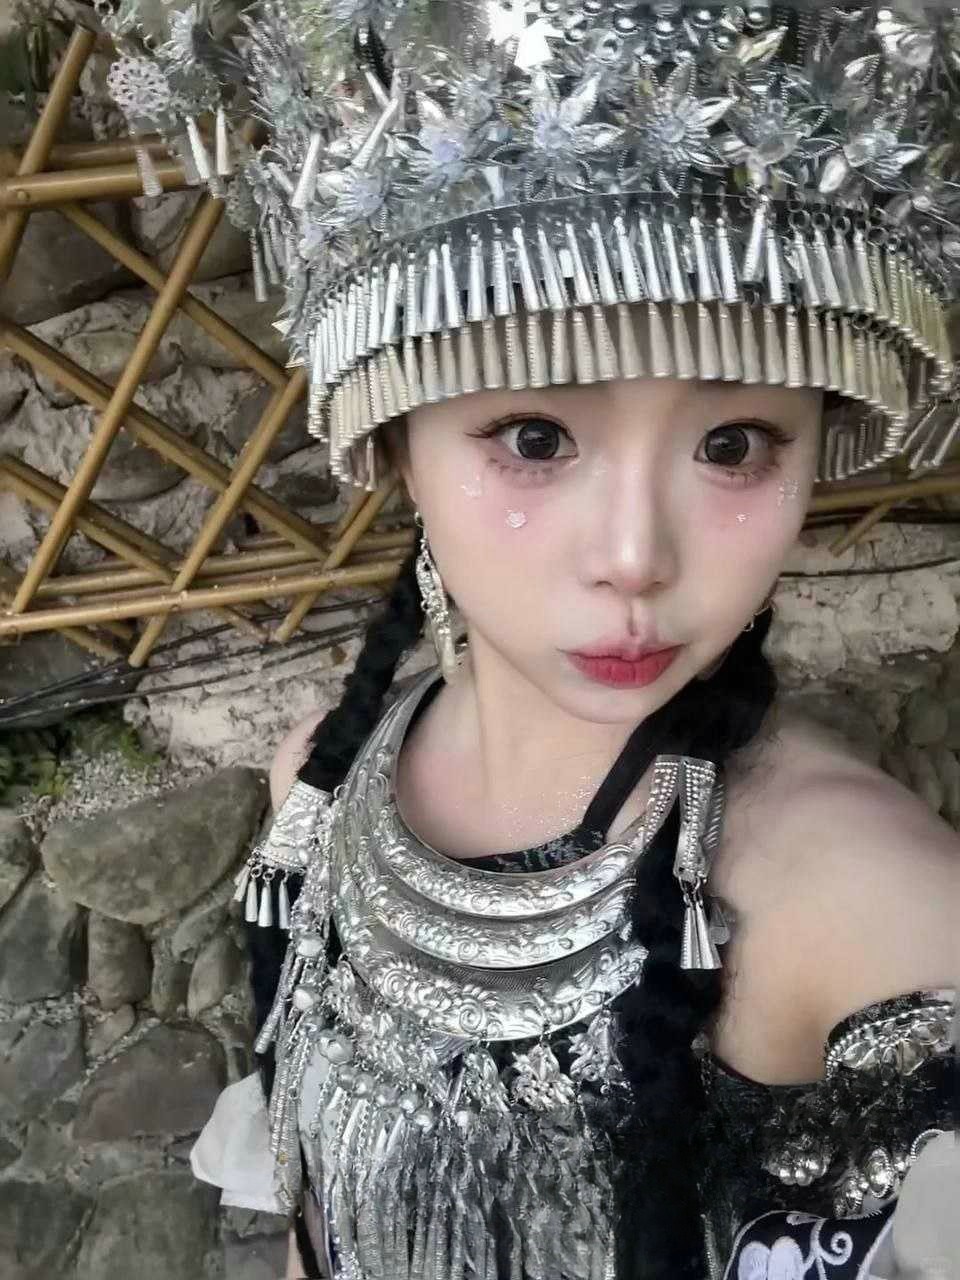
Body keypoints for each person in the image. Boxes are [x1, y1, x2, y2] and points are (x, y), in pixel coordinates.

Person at [106, 1, 959, 1276]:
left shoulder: (869, 902)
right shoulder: (315, 789)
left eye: (733, 443)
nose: (635, 555)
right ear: (394, 444)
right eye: (537, 436)